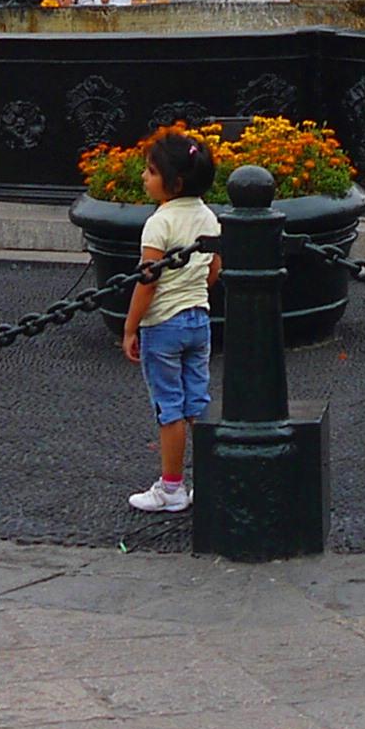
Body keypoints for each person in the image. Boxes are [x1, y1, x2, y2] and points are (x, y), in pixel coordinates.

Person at [119, 128, 221, 515]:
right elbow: (214, 269)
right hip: (199, 320)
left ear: (173, 182)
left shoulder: (159, 224)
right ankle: (214, 477)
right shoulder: (208, 217)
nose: (144, 177)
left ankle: (172, 487)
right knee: (198, 404)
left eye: (150, 171)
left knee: (169, 408)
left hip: (163, 324)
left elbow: (147, 283)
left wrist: (131, 327)